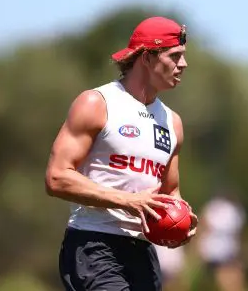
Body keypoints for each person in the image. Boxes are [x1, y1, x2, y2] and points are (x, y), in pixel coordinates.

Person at [45, 16, 198, 291]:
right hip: (94, 243)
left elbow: (170, 191)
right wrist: (127, 201)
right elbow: (57, 178)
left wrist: (180, 218)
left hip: (144, 253)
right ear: (147, 58)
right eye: (175, 56)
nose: (183, 64)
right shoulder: (97, 103)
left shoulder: (173, 122)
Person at [196, 195, 246, 291]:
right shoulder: (232, 210)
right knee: (228, 274)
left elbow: (204, 224)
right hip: (222, 248)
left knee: (224, 274)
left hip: (218, 249)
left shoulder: (214, 208)